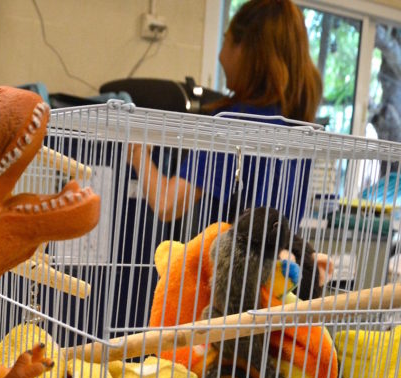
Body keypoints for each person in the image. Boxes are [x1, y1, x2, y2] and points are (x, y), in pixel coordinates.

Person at [128, 0, 328, 297]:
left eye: (226, 41)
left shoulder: (236, 122)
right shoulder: (301, 128)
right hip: (277, 285)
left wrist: (137, 152)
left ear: (245, 49)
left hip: (228, 288)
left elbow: (168, 204)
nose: (221, 56)